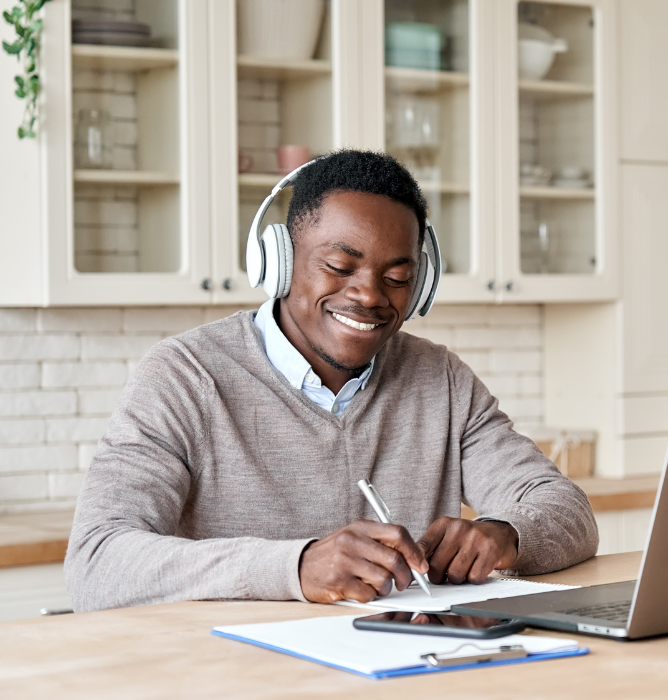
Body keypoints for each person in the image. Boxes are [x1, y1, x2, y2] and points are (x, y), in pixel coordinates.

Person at [65, 150, 598, 612]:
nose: (369, 295)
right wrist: (295, 567)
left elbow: (565, 508)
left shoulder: (443, 381)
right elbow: (96, 561)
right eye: (340, 266)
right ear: (279, 260)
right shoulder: (186, 376)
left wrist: (506, 536)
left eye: (397, 278)